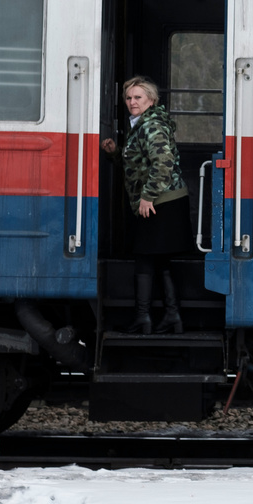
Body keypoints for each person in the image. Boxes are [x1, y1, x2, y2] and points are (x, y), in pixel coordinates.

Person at [100, 76, 188, 334]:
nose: (132, 102)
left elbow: (163, 163)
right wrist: (116, 153)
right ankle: (170, 317)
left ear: (151, 99)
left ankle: (145, 318)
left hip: (161, 203)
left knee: (145, 259)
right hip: (163, 201)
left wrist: (147, 197)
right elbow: (139, 165)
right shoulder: (142, 125)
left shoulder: (151, 126)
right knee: (160, 260)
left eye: (138, 97)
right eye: (128, 97)